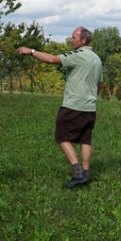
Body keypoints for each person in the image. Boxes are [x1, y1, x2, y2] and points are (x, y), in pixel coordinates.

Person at [17, 27, 104, 188]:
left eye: (73, 37)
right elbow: (100, 84)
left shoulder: (78, 55)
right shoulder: (97, 59)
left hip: (73, 105)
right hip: (90, 107)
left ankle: (77, 172)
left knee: (62, 136)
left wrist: (31, 51)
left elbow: (51, 59)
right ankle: (85, 174)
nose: (70, 40)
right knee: (85, 139)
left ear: (83, 40)